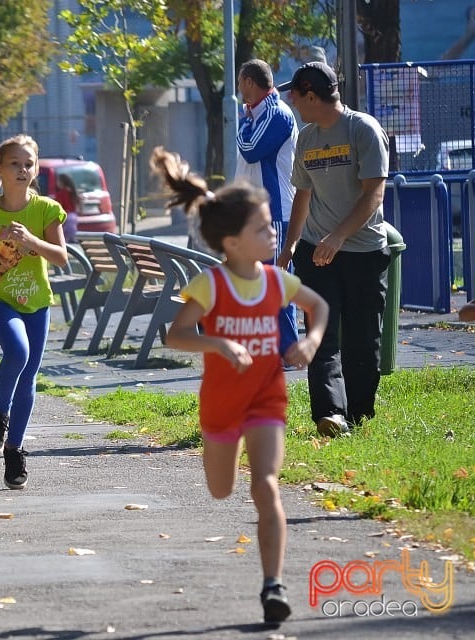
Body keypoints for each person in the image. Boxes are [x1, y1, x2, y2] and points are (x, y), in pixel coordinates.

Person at [151, 147, 328, 625]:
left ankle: (274, 585)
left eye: (271, 224)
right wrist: (220, 346)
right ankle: (220, 459)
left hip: (266, 397)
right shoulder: (211, 286)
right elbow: (176, 334)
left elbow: (319, 307)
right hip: (222, 404)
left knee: (265, 484)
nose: (273, 233)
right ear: (231, 243)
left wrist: (310, 341)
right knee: (220, 488)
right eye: (263, 228)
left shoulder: (276, 280)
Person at [275, 61, 392, 437]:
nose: (291, 101)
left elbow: (374, 191)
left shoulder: (363, 130)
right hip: (315, 251)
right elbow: (302, 195)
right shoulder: (306, 138)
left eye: (295, 94)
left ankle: (357, 415)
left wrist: (339, 236)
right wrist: (290, 246)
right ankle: (330, 414)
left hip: (363, 252)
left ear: (311, 95)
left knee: (362, 337)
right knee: (321, 335)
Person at [0, 134, 68, 490]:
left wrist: (32, 241)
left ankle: (14, 449)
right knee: (17, 352)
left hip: (37, 304)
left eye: (28, 164)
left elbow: (61, 257)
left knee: (29, 377)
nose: (23, 170)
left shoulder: (46, 210)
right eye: (15, 164)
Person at [236, 59, 300, 356]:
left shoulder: (276, 114)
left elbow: (250, 150)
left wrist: (244, 120)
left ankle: (288, 350)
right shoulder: (257, 114)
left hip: (276, 214)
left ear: (249, 81)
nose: (239, 90)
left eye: (240, 82)